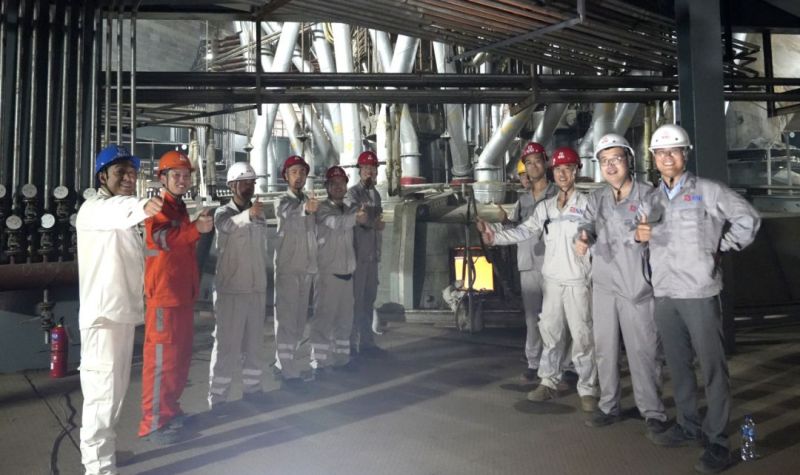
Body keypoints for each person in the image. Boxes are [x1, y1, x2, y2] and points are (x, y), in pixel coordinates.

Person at [635, 124, 760, 473]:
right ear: (654, 158)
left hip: (699, 293)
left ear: (685, 154)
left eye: (674, 151)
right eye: (661, 153)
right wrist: (639, 235)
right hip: (665, 293)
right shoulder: (652, 199)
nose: (667, 157)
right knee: (678, 365)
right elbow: (642, 234)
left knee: (712, 369)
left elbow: (748, 218)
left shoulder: (708, 191)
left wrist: (721, 247)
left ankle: (717, 440)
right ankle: (688, 425)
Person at [482, 147, 597, 412]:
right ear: (552, 172)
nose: (563, 174)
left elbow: (597, 232)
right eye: (559, 169)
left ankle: (588, 389)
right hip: (552, 280)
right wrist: (495, 237)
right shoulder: (545, 207)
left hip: (578, 280)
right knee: (551, 333)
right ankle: (548, 382)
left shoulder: (587, 204)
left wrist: (588, 239)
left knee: (582, 336)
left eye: (568, 168)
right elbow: (524, 230)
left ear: (576, 171)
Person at [77, 144, 163, 475]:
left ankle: (106, 453)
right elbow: (119, 209)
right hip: (104, 318)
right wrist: (143, 204)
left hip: (122, 314)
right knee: (101, 397)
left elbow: (132, 256)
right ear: (103, 177)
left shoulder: (120, 216)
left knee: (115, 394)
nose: (129, 177)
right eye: (120, 172)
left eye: (132, 172)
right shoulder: (94, 208)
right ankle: (98, 468)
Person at [574, 133, 668, 434]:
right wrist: (583, 236)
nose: (610, 166)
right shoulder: (597, 197)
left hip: (636, 286)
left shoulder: (649, 195)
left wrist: (647, 234)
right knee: (605, 349)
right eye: (604, 161)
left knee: (644, 351)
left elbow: (665, 232)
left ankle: (652, 411)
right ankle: (608, 405)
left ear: (629, 160)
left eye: (616, 159)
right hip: (604, 285)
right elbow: (586, 224)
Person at [139, 150, 214, 444]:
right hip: (164, 298)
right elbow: (163, 239)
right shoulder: (158, 208)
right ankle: (153, 424)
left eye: (186, 176)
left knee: (178, 360)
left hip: (181, 296)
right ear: (163, 178)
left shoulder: (178, 208)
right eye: (176, 175)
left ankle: (170, 412)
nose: (182, 180)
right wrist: (196, 228)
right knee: (161, 362)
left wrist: (193, 225)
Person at [480, 142, 556, 383]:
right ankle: (534, 362)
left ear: (545, 163)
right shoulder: (523, 201)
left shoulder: (557, 194)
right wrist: (499, 224)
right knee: (532, 318)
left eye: (537, 161)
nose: (533, 167)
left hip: (555, 263)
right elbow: (515, 229)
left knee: (557, 318)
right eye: (528, 163)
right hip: (528, 263)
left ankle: (562, 365)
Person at [208, 162, 269, 410]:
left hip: (256, 288)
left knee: (254, 344)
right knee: (227, 346)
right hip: (232, 290)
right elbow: (227, 227)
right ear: (232, 186)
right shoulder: (222, 213)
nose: (250, 186)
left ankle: (253, 389)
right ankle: (218, 398)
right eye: (245, 182)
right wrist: (248, 216)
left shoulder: (259, 214)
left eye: (252, 182)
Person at [310, 166, 368, 377]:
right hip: (328, 274)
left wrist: (364, 217)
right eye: (333, 184)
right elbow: (335, 223)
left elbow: (359, 221)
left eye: (341, 183)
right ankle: (320, 362)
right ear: (327, 186)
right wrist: (356, 218)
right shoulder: (322, 209)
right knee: (324, 321)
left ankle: (342, 359)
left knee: (344, 321)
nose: (338, 187)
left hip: (347, 274)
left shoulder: (349, 209)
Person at [274, 155, 318, 390]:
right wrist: (305, 210)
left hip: (307, 268)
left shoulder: (308, 201)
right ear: (286, 176)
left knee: (300, 322)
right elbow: (288, 213)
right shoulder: (282, 201)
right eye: (294, 172)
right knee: (287, 321)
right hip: (289, 269)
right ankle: (287, 370)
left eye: (302, 172)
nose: (299, 176)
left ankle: (285, 363)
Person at [345, 151, 385, 354]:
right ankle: (352, 345)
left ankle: (367, 343)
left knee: (369, 300)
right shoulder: (353, 194)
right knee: (356, 302)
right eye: (366, 168)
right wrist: (372, 222)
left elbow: (374, 221)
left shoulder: (376, 195)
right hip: (358, 256)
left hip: (372, 257)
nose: (369, 172)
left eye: (372, 168)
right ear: (360, 170)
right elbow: (355, 218)